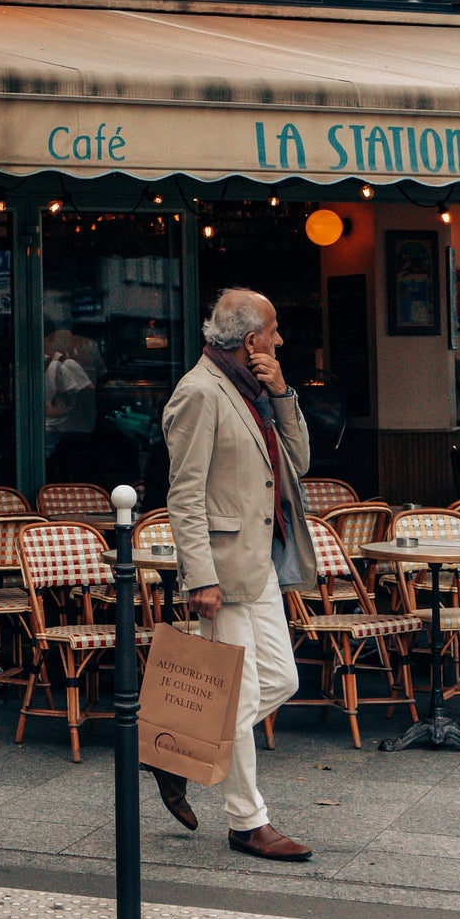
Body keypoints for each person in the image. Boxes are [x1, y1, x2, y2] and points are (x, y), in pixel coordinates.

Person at [160, 287, 314, 862]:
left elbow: (298, 461)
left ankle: (174, 750)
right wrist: (199, 575)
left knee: (283, 679)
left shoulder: (252, 390)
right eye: (273, 331)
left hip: (261, 562)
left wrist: (281, 392)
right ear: (251, 341)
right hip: (222, 571)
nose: (280, 340)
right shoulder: (199, 392)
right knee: (240, 691)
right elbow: (185, 493)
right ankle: (247, 821)